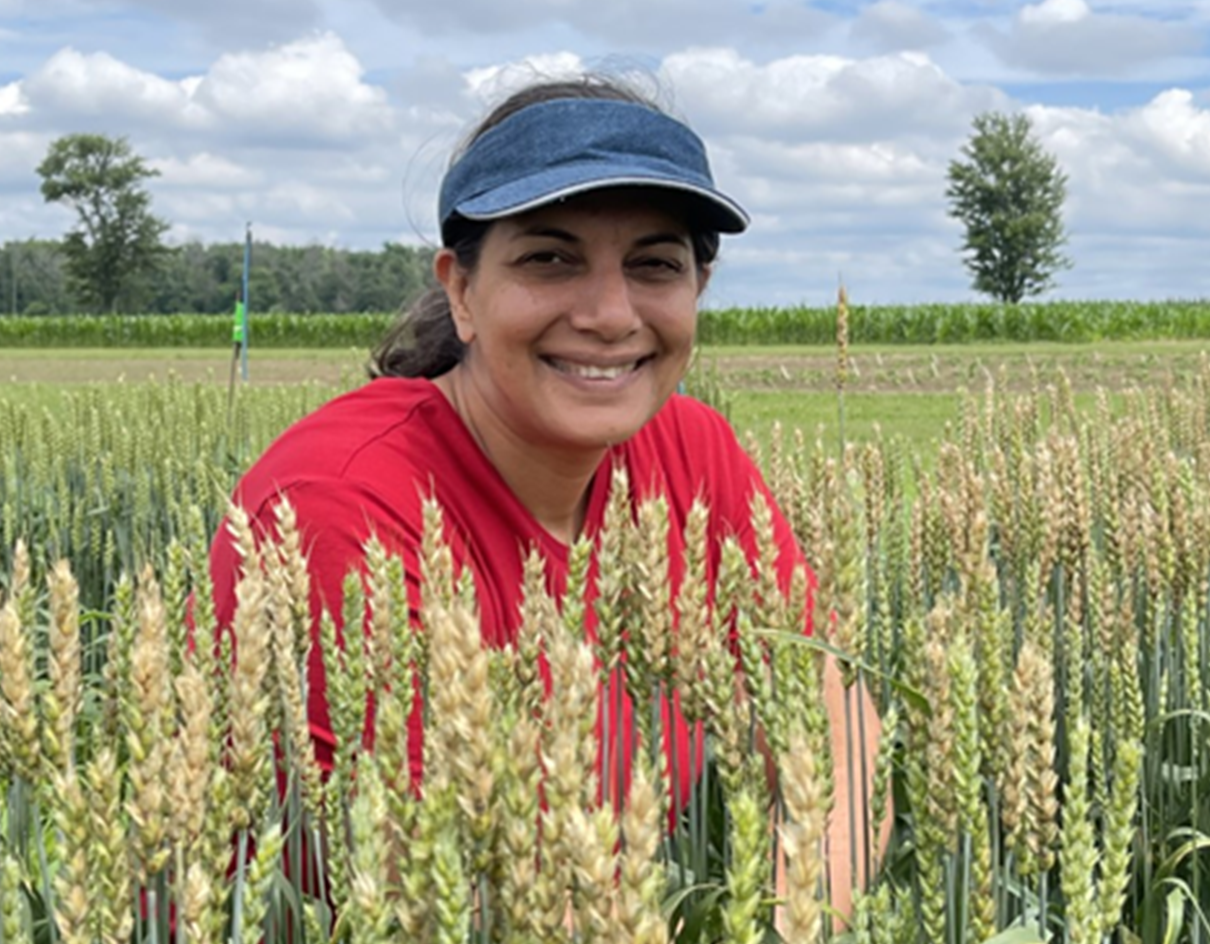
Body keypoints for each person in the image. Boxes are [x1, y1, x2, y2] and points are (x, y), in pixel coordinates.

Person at [209, 75, 886, 919]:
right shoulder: (341, 504)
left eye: (655, 264)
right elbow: (461, 897)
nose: (610, 313)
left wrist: (798, 921)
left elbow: (838, 740)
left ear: (697, 292)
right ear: (461, 289)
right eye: (550, 258)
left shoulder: (692, 454)